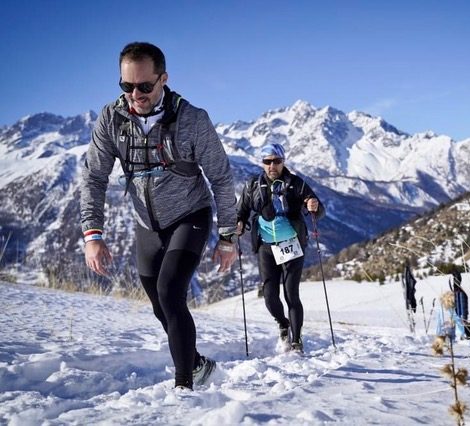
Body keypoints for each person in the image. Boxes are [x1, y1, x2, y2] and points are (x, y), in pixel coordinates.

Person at [80, 42, 237, 390]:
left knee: (170, 292)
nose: (135, 94)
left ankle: (184, 388)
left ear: (163, 79)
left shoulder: (193, 120)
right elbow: (93, 177)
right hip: (146, 224)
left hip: (189, 214)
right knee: (158, 305)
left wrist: (228, 237)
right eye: (126, 86)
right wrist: (93, 234)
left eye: (144, 86)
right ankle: (196, 363)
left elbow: (222, 178)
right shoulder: (112, 118)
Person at [236, 143, 324, 353]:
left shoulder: (296, 184)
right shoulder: (252, 185)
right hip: (266, 246)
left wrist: (314, 206)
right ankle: (283, 323)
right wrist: (239, 223)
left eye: (276, 161)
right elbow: (242, 211)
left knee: (291, 293)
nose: (272, 165)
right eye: (267, 161)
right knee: (269, 296)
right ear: (262, 163)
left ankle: (297, 340)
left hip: (292, 245)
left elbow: (318, 209)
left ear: (283, 162)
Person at [401, 262, 418, 332]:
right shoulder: (408, 278)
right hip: (408, 299)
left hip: (409, 300)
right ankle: (411, 328)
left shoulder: (409, 279)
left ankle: (412, 329)